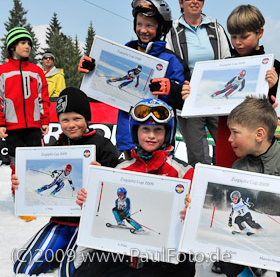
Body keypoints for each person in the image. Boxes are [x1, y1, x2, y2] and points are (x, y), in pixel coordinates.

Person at [75, 98, 195, 276]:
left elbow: (197, 214)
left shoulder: (183, 173)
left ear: (168, 134)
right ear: (135, 131)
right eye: (145, 129)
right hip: (124, 255)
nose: (151, 136)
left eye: (158, 130)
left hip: (163, 259)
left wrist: (190, 209)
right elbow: (101, 209)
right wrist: (91, 197)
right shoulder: (121, 169)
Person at [11, 87, 119, 276]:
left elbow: (116, 186)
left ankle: (85, 253)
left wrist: (100, 177)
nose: (71, 125)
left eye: (77, 118)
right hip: (60, 221)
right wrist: (21, 184)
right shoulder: (56, 146)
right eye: (64, 119)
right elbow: (49, 171)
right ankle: (60, 249)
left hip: (87, 223)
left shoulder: (103, 146)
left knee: (68, 273)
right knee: (23, 267)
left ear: (87, 118)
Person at [213, 96, 280, 277]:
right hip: (257, 237)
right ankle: (254, 267)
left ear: (259, 135)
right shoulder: (238, 168)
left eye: (235, 132)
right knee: (227, 263)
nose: (230, 139)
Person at [79, 0, 188, 160]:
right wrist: (92, 71)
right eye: (139, 24)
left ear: (161, 28)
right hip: (128, 139)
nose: (143, 30)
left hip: (158, 140)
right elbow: (102, 90)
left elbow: (184, 98)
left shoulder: (170, 59)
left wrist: (171, 89)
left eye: (149, 25)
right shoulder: (124, 53)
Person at [182, 4, 279, 170]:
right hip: (227, 134)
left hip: (256, 137)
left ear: (260, 33)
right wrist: (191, 93)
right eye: (233, 37)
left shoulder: (272, 66)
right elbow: (206, 95)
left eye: (244, 36)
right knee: (225, 178)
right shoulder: (223, 65)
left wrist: (273, 87)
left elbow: (276, 106)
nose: (238, 42)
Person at [166, 0, 232, 166]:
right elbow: (169, 65)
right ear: (181, 2)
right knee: (198, 155)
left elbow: (228, 58)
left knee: (226, 146)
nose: (194, 0)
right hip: (190, 98)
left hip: (217, 96)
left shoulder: (215, 27)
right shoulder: (172, 31)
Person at [0, 27, 50, 166]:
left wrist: (45, 121)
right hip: (12, 129)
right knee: (16, 167)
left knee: (36, 165)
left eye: (29, 43)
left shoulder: (36, 71)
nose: (27, 46)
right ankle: (16, 189)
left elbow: (43, 98)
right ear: (12, 47)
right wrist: (1, 123)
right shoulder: (2, 71)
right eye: (23, 42)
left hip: (34, 128)